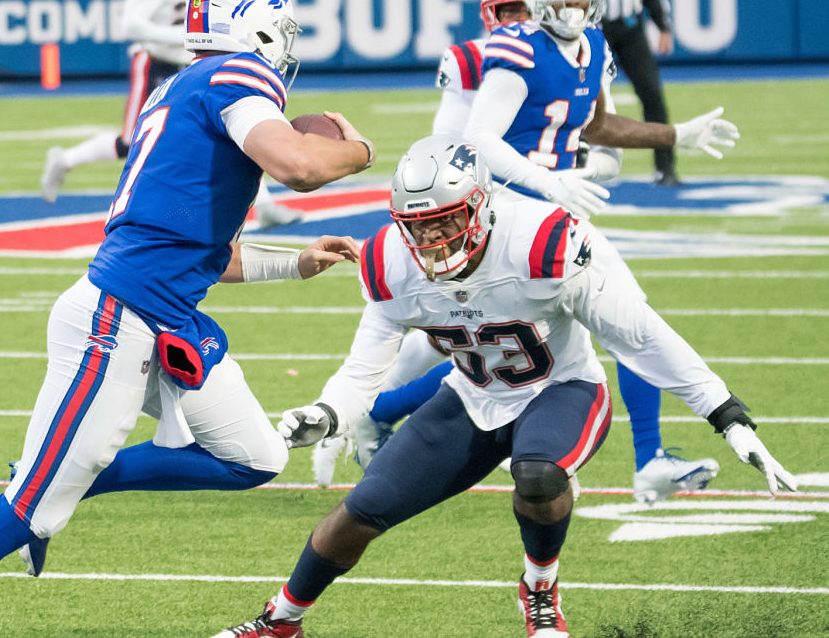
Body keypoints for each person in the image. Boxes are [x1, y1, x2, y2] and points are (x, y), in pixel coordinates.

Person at [0, 0, 375, 635]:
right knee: (27, 509)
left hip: (163, 315)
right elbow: (300, 166)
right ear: (254, 22)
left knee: (254, 457)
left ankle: (78, 472)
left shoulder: (178, 88)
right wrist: (358, 149)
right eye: (282, 26)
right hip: (118, 320)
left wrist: (294, 263)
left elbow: (205, 251)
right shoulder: (238, 75)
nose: (286, 46)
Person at [213, 135, 797, 638]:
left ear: (482, 206)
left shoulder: (542, 243)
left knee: (539, 475)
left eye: (446, 220)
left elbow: (639, 335)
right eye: (420, 227)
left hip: (562, 387)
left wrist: (726, 414)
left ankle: (539, 588)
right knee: (364, 508)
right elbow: (365, 367)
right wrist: (329, 412)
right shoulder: (392, 261)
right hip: (472, 396)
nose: (435, 242)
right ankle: (280, 619)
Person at [311, 0, 726, 506]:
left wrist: (645, 146)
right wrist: (539, 179)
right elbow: (454, 144)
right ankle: (360, 414)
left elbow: (594, 128)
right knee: (460, 342)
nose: (517, 20)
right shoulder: (481, 60)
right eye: (505, 11)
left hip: (552, 215)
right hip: (494, 217)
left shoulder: (581, 46)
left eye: (521, 10)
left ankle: (647, 458)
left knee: (576, 330)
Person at [39, 0, 303, 228]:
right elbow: (131, 26)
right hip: (155, 61)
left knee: (226, 130)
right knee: (132, 142)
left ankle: (265, 206)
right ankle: (65, 159)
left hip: (190, 62)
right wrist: (183, 37)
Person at [602, 0, 680, 186]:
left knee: (652, 94)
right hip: (594, 29)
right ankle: (577, 163)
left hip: (631, 29)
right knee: (582, 95)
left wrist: (662, 24)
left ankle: (665, 168)